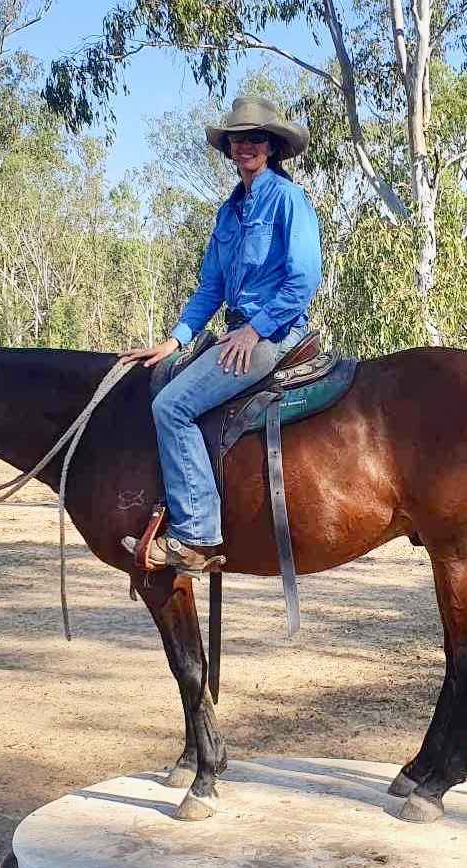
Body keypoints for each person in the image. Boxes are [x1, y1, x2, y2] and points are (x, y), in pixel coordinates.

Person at [120, 96, 323, 573]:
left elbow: (304, 279)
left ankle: (195, 535)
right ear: (229, 149)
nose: (245, 146)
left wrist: (255, 330)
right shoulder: (228, 213)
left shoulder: (288, 199)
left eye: (255, 139)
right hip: (237, 331)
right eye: (237, 139)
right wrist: (175, 339)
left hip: (273, 333)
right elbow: (210, 287)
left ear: (271, 147)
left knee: (171, 407)